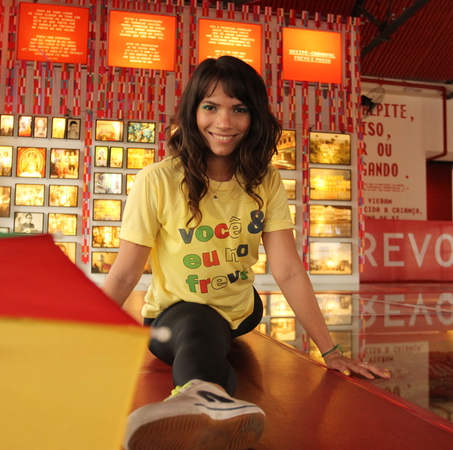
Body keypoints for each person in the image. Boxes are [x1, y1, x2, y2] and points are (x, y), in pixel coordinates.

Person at [101, 56, 390, 450]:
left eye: (239, 109)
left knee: (216, 320)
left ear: (254, 117)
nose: (224, 122)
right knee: (199, 321)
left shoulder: (265, 180)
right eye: (211, 107)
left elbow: (287, 270)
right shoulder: (157, 180)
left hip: (241, 310)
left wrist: (332, 351)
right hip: (173, 318)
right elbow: (123, 274)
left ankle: (206, 397)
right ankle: (203, 397)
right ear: (192, 112)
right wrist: (75, 340)